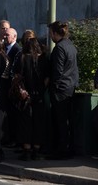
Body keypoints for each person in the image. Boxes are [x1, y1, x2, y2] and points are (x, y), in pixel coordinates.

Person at [12, 37, 49, 161]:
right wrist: (41, 89)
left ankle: (27, 150)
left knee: (25, 122)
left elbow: (17, 76)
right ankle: (36, 150)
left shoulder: (23, 58)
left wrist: (22, 90)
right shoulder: (43, 59)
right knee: (38, 122)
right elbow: (47, 78)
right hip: (39, 94)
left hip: (25, 94)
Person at [48, 21, 79, 160]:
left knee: (60, 121)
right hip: (70, 87)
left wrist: (53, 88)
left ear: (55, 33)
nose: (50, 36)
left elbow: (57, 71)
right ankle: (68, 148)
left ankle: (61, 150)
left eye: (51, 33)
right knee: (67, 121)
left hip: (60, 90)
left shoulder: (59, 48)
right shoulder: (71, 46)